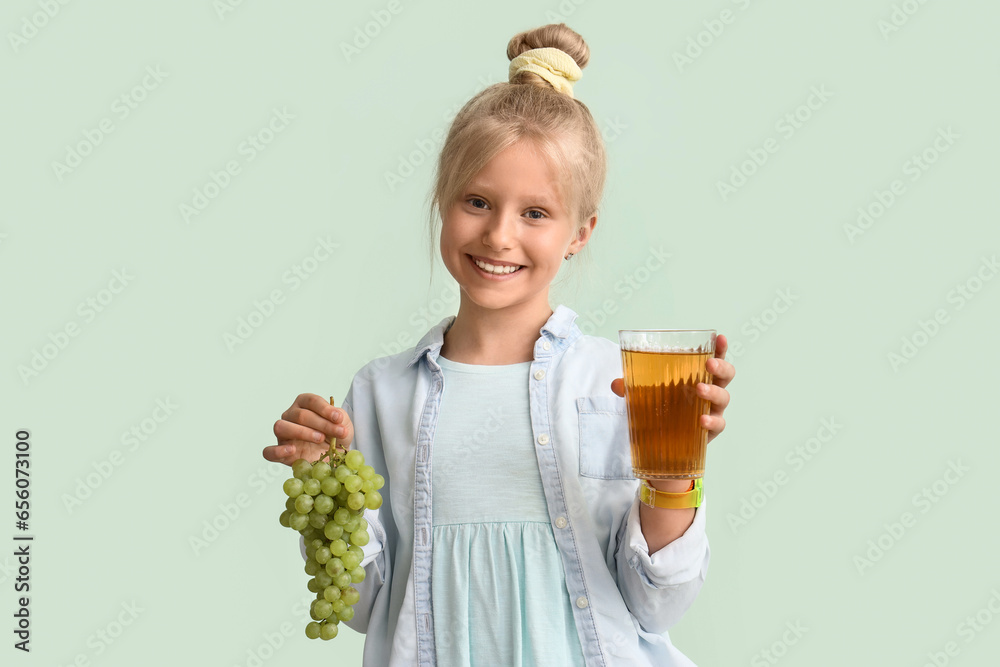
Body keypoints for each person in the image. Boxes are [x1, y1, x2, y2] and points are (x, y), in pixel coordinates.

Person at [263, 22, 736, 667]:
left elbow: (658, 604)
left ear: (580, 232)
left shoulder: (619, 385)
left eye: (535, 213)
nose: (499, 235)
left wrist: (675, 478)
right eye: (477, 201)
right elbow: (361, 605)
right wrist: (325, 484)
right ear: (442, 204)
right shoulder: (380, 393)